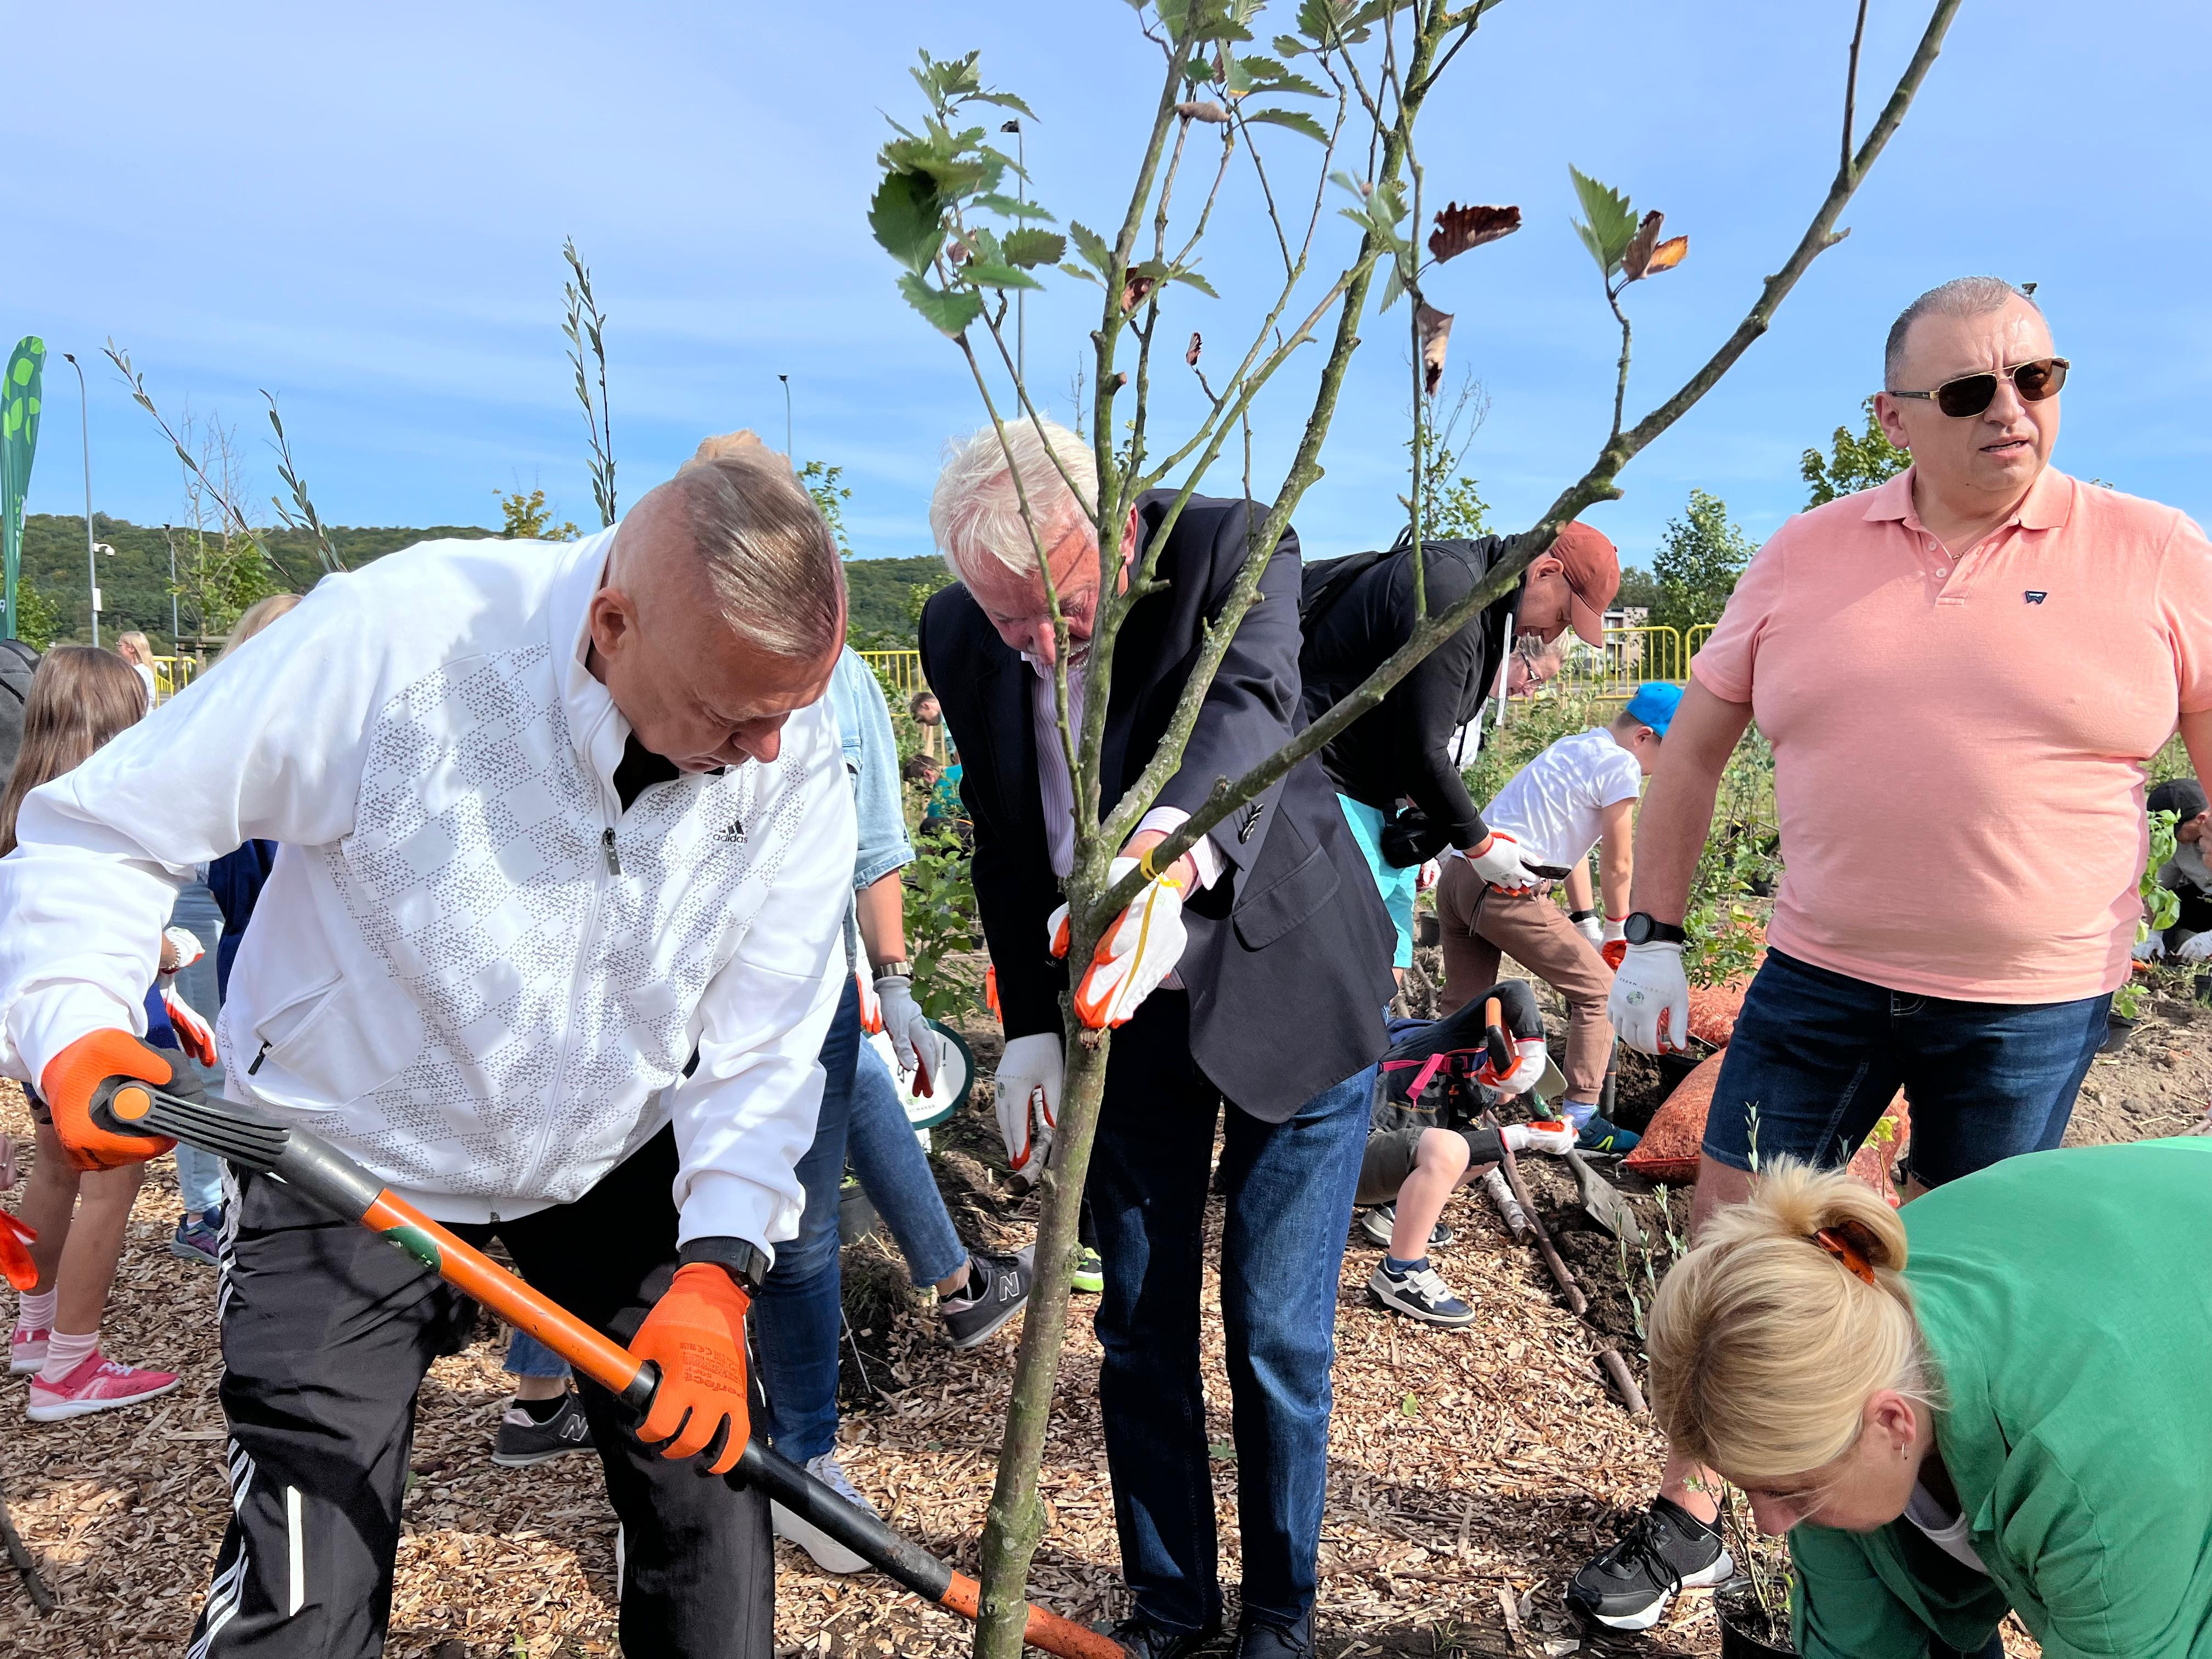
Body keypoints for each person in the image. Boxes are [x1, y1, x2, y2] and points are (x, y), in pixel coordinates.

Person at [0, 437, 855, 1658]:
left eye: (791, 711)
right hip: (346, 1150)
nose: (769, 749)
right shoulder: (399, 641)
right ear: (613, 624)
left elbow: (770, 1025)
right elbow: (106, 827)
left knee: (710, 1491)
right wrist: (76, 1020)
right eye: (735, 716)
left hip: (611, 1148)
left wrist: (719, 1267)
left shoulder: (785, 739)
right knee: (306, 1585)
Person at [1576, 276, 2212, 1633]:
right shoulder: (1807, 552)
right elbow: (1696, 747)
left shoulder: (2156, 550)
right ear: (1893, 416)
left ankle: (1940, 1553)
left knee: (1956, 1281)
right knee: (1735, 1240)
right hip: (1822, 972)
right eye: (1971, 390)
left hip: (2031, 998)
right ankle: (1699, 1510)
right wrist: (1657, 936)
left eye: (2037, 379)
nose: (2012, 411)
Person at [919, 418, 1397, 1659]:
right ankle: (1174, 1606)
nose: (1039, 647)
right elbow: (1002, 833)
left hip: (1291, 980)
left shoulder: (1229, 547)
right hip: (1118, 1019)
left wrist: (1155, 866)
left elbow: (1246, 712)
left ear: (1121, 534)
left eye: (1066, 612)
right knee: (1137, 1323)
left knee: (1275, 1331)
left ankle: (1281, 1614)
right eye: (1011, 619)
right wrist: (1028, 1025)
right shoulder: (959, 633)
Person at [1646, 1141, 2212, 1659]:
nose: (1768, 1525)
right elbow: (1851, 1638)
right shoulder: (1842, 1318)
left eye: (1788, 1492)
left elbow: (2123, 1642)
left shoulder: (2089, 1472)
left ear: (1894, 1423)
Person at [753, 642, 1033, 1576]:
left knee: (803, 1224)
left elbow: (873, 842)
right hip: (674, 993)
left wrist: (894, 980)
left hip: (809, 988)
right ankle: (674, 1471)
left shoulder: (842, 673)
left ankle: (802, 1457)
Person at [3, 647, 208, 1417]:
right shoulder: (117, 823)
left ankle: (35, 1329)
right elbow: (109, 931)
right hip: (96, 1034)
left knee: (54, 1169)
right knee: (110, 1187)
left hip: (38, 1039)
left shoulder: (23, 815)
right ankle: (71, 1366)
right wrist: (173, 951)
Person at [1298, 522, 1621, 979]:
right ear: (1546, 572)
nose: (1551, 634)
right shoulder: (1453, 592)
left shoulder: (1486, 610)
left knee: (1381, 975)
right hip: (1324, 788)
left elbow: (1412, 729)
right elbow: (1421, 751)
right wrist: (1481, 846)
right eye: (1563, 617)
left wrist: (1430, 827)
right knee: (1341, 979)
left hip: (1370, 798)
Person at [1434, 683, 1678, 1155]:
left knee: (1463, 1010)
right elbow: (1618, 863)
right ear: (1644, 737)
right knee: (1601, 993)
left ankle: (1434, 1109)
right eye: (1666, 754)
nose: (1661, 769)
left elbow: (1573, 848)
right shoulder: (1621, 764)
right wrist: (1617, 930)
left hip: (1461, 876)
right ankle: (1582, 1121)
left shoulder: (1575, 747)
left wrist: (1586, 922)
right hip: (1507, 890)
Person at [1356, 980, 1570, 1326]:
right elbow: (1512, 991)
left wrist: (1532, 1134)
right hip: (1346, 1156)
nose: (1513, 1095)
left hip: (1380, 1159)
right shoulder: (1447, 1042)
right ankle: (1400, 1273)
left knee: (1484, 1151)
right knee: (1448, 1149)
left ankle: (1396, 1213)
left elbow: (1479, 1145)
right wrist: (1531, 1052)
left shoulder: (1475, 1084)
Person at [2136, 777, 2212, 960]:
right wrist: (2153, 933)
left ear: (2201, 819)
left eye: (2174, 828)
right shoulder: (2173, 843)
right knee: (2175, 905)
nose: (2168, 835)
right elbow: (2160, 890)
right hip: (2206, 899)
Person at [116, 631, 160, 709]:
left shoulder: (140, 671)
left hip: (140, 714)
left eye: (120, 645)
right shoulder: (137, 669)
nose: (118, 649)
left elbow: (134, 698)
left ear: (132, 649)